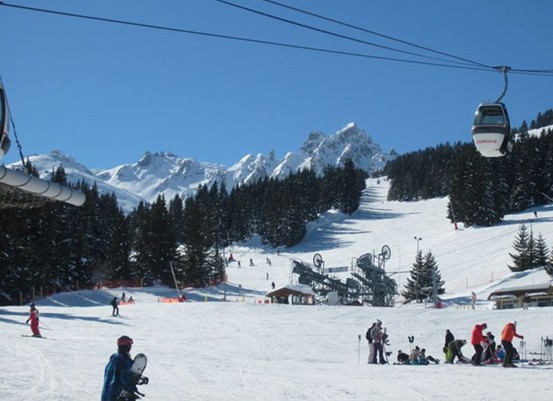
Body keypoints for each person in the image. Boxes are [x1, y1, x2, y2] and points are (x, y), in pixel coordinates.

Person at [101, 335, 139, 401]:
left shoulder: (113, 359)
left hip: (106, 396)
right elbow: (125, 379)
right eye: (130, 344)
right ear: (128, 345)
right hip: (116, 396)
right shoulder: (125, 360)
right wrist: (132, 389)